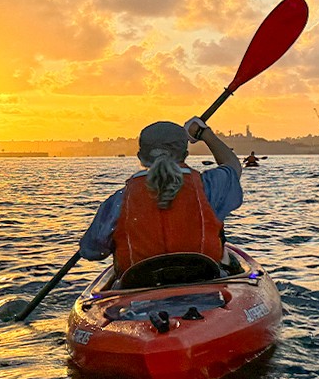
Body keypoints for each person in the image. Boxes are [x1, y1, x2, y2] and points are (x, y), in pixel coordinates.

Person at [79, 118, 243, 281]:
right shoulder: (208, 187)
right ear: (185, 155)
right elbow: (233, 166)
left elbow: (92, 251)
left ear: (140, 157)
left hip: (138, 291)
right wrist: (203, 133)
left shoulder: (118, 201)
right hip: (205, 282)